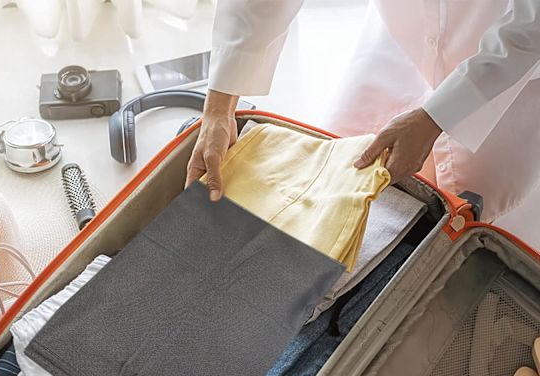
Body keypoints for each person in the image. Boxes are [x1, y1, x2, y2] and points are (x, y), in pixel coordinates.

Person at [186, 0, 540, 222]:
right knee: (330, 180)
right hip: (404, 28)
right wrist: (218, 107)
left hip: (514, 58)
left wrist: (437, 117)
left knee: (466, 217)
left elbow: (531, 24)